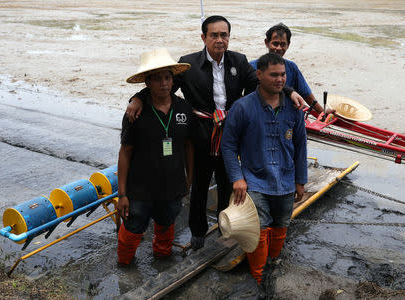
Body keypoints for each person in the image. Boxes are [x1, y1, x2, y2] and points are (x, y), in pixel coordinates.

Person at [125, 16, 305, 250]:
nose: (220, 40)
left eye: (224, 35)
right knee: (199, 186)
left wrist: (289, 92)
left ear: (229, 37)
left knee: (228, 183)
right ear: (204, 37)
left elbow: (264, 83)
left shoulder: (239, 62)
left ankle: (227, 225)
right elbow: (164, 85)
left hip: (230, 134)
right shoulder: (188, 64)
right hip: (199, 134)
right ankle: (198, 231)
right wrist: (138, 98)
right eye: (214, 35)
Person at [221, 53, 308, 284]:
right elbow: (228, 146)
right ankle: (258, 274)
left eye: (283, 75)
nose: (279, 80)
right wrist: (237, 177)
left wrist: (301, 180)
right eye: (274, 75)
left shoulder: (294, 107)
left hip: (286, 178)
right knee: (258, 226)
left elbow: (301, 145)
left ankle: (274, 262)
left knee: (282, 223)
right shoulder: (242, 107)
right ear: (259, 75)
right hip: (254, 179)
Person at [117, 48, 194, 265]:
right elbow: (125, 151)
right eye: (157, 78)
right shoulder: (135, 113)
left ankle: (162, 258)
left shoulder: (184, 109)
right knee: (133, 228)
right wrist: (122, 194)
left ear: (173, 79)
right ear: (147, 83)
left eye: (168, 77)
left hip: (172, 186)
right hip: (140, 189)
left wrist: (188, 179)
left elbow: (189, 146)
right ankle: (124, 265)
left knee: (167, 223)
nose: (164, 83)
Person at [250, 23, 332, 115]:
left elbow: (306, 94)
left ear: (288, 45)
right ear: (267, 43)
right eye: (275, 44)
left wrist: (321, 111)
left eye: (283, 44)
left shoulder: (292, 67)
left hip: (285, 115)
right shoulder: (251, 66)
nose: (278, 48)